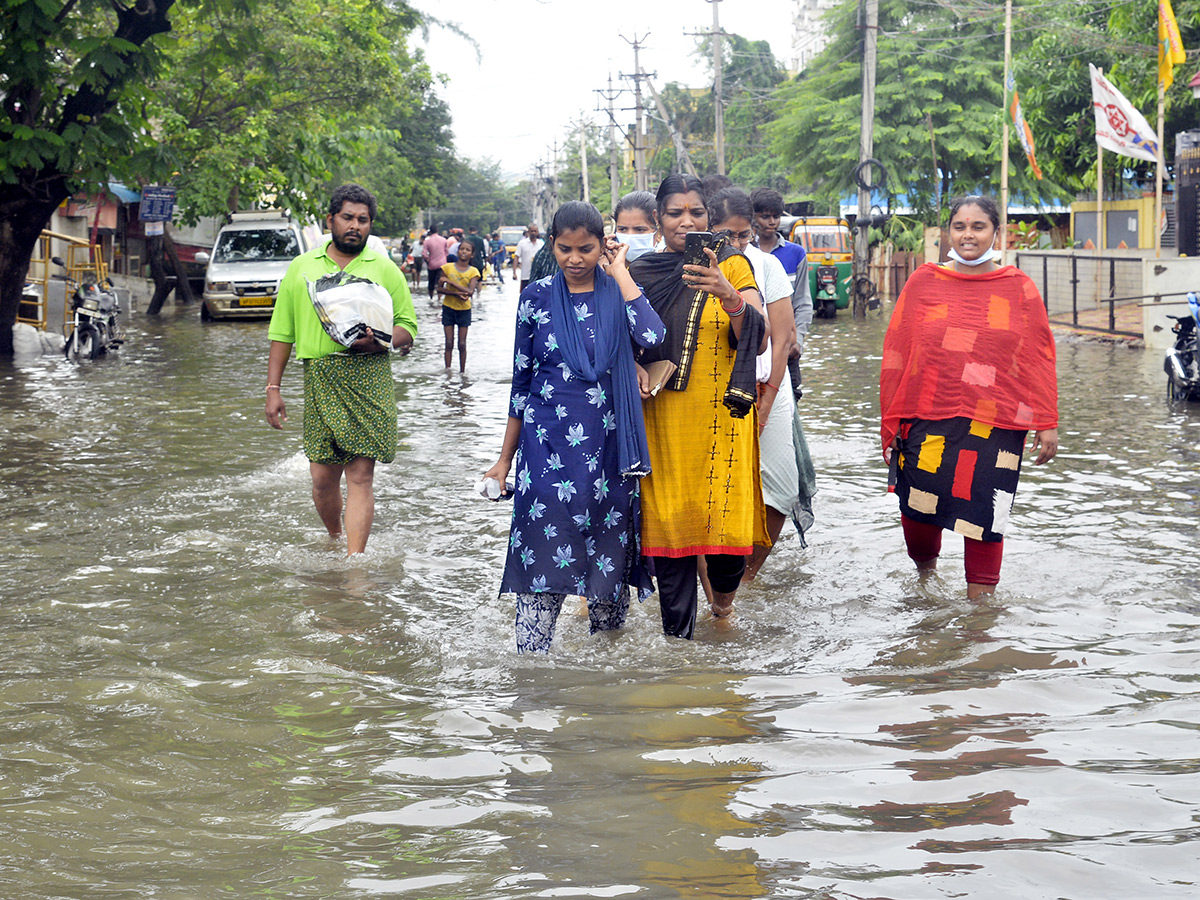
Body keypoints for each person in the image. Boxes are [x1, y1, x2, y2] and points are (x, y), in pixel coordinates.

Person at [483, 201, 666, 653]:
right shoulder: (536, 297)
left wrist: (621, 272)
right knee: (542, 563)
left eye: (586, 249)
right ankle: (532, 677)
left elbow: (653, 337)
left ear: (603, 245)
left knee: (608, 589)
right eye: (565, 249)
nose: (576, 259)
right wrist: (504, 461)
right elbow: (520, 382)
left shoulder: (619, 292)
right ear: (552, 245)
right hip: (545, 454)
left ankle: (603, 689)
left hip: (609, 454)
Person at [880, 194, 1058, 597]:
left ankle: (980, 625)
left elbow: (1039, 356)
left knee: (985, 517)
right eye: (960, 226)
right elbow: (897, 351)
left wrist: (1047, 421)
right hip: (928, 415)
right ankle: (925, 585)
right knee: (919, 514)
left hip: (996, 421)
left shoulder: (1018, 288)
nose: (968, 235)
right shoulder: (924, 282)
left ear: (996, 232)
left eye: (978, 226)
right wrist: (890, 420)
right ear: (948, 232)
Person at [629, 174, 770, 637]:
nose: (686, 222)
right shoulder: (640, 272)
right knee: (670, 533)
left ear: (709, 219)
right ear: (658, 219)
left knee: (727, 544)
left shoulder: (733, 266)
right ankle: (679, 653)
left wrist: (727, 295)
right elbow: (618, 336)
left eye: (696, 213)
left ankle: (723, 613)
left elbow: (758, 332)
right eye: (675, 213)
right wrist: (629, 364)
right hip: (662, 419)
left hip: (720, 421)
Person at [264, 184, 418, 556]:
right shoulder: (303, 269)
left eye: (363, 220)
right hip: (320, 376)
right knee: (321, 479)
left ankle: (355, 562)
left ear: (370, 225)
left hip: (369, 377)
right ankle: (335, 536)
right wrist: (273, 388)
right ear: (330, 220)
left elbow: (408, 326)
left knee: (361, 477)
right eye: (347, 218)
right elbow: (283, 333)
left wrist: (381, 340)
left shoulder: (384, 269)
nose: (355, 226)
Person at [707, 188, 803, 582]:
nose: (737, 244)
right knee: (715, 489)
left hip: (768, 389)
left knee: (782, 489)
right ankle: (715, 586)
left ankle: (747, 577)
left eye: (744, 235)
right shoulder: (695, 268)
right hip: (713, 391)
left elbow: (784, 338)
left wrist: (770, 400)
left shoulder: (766, 266)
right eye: (727, 235)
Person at [751, 188, 812, 402]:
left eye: (775, 216)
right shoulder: (744, 252)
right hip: (755, 346)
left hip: (786, 347)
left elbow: (803, 303)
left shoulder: (795, 253)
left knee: (789, 402)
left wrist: (799, 341)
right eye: (764, 216)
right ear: (753, 217)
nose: (771, 222)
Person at [436, 238, 480, 372]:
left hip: (464, 310)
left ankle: (462, 372)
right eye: (462, 249)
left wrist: (450, 282)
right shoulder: (447, 267)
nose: (464, 252)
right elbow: (439, 289)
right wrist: (455, 294)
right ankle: (448, 371)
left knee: (462, 344)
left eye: (468, 250)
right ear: (457, 251)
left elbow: (470, 292)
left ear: (472, 254)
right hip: (448, 308)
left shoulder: (474, 271)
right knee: (448, 343)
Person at [612, 190, 658, 261]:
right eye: (623, 229)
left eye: (639, 230)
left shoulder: (672, 267)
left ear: (659, 232)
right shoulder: (604, 265)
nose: (630, 237)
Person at [514, 224, 544, 293]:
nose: (533, 233)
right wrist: (514, 273)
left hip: (539, 277)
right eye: (532, 231)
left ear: (537, 232)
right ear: (528, 232)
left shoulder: (541, 244)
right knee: (525, 296)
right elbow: (516, 257)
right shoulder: (522, 243)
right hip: (526, 276)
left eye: (535, 231)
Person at [422, 225, 448, 300]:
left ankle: (431, 298)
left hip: (432, 265)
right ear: (437, 230)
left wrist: (428, 259)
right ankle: (439, 299)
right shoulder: (443, 240)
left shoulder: (427, 241)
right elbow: (446, 252)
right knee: (440, 282)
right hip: (442, 264)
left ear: (430, 231)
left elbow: (424, 254)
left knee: (431, 282)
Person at [465, 226, 488, 292]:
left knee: (469, 279)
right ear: (476, 231)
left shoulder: (467, 239)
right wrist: (485, 263)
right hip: (479, 262)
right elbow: (483, 252)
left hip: (469, 262)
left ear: (469, 231)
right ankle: (478, 296)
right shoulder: (480, 240)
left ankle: (470, 295)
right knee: (480, 280)